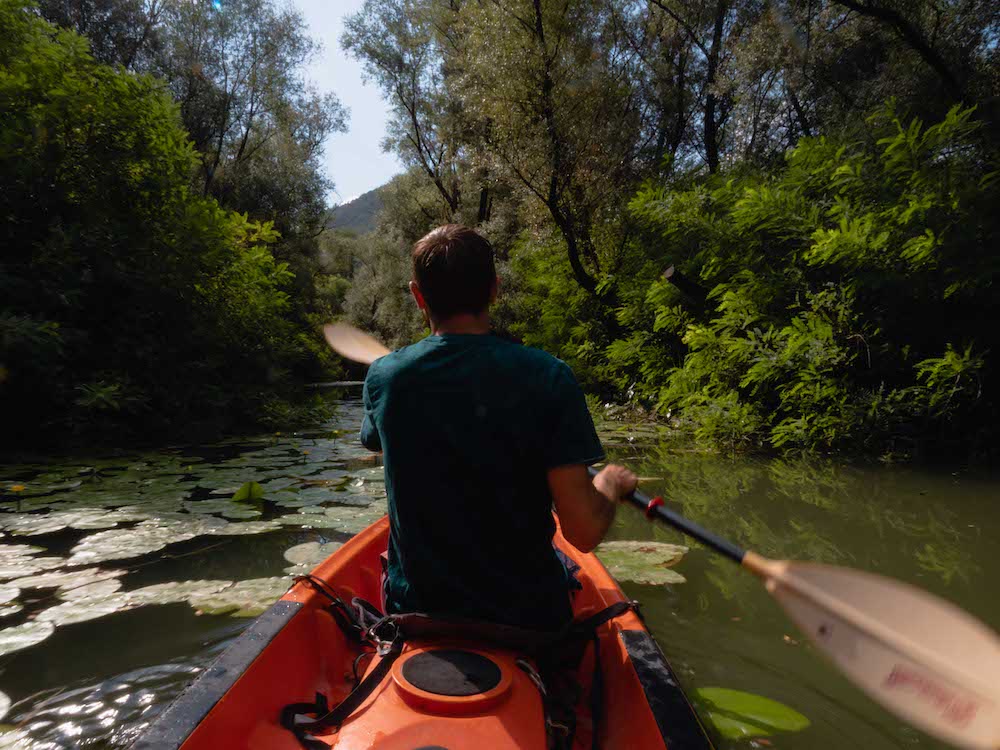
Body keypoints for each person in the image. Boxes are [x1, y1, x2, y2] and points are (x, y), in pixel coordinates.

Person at [360, 224, 637, 632]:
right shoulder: (548, 376)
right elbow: (581, 533)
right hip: (528, 619)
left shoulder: (386, 377)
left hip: (417, 612)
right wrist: (610, 485)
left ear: (418, 295)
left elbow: (378, 444)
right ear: (494, 289)